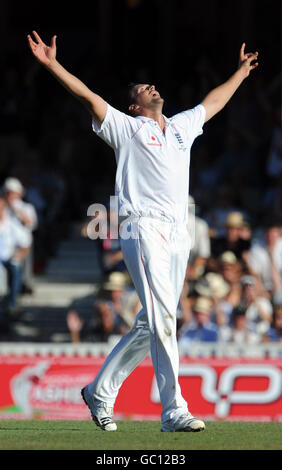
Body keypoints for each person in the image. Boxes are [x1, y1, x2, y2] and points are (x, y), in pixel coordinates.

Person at [27, 31, 259, 432]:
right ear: (134, 105)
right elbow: (87, 96)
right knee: (164, 316)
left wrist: (239, 73)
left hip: (178, 232)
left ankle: (100, 390)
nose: (152, 86)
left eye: (152, 84)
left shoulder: (183, 125)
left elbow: (214, 101)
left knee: (154, 321)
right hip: (143, 227)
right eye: (142, 88)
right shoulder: (126, 127)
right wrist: (52, 65)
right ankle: (173, 410)